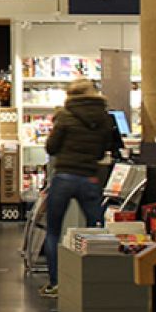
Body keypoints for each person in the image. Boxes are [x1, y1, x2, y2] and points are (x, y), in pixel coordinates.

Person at [39, 78, 122, 298]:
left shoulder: (65, 116)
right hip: (90, 178)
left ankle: (56, 283)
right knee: (96, 230)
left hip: (64, 177)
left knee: (54, 230)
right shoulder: (104, 118)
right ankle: (94, 278)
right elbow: (103, 149)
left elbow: (51, 147)